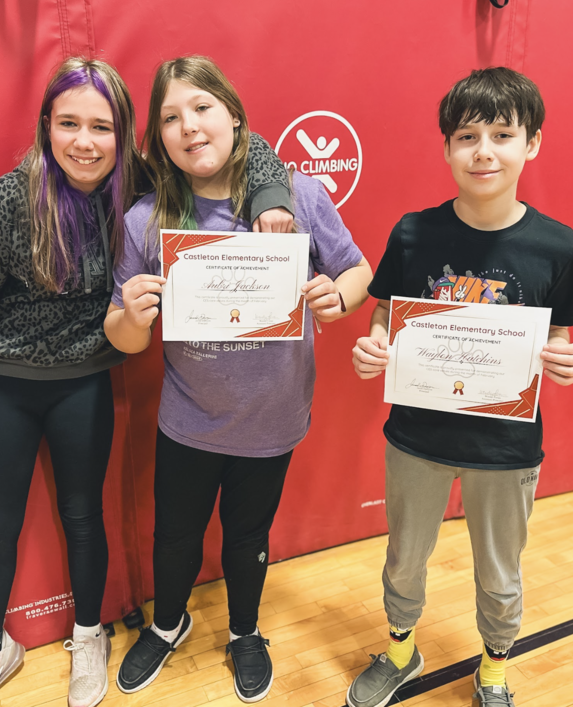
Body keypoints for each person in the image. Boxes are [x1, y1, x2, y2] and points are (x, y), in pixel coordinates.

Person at [0, 57, 296, 707]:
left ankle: (88, 633)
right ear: (46, 126)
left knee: (83, 516)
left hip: (84, 378)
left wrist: (271, 195)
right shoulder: (7, 198)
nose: (83, 140)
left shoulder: (138, 186)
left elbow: (245, 144)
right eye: (68, 123)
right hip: (3, 380)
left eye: (101, 126)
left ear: (124, 134)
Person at [104, 55, 372, 703]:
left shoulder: (298, 196)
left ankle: (245, 630)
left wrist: (338, 297)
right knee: (175, 535)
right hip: (189, 419)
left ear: (234, 116)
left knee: (249, 535)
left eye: (201, 108)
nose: (189, 126)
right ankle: (168, 623)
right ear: (158, 138)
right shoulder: (146, 219)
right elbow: (122, 333)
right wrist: (133, 315)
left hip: (272, 419)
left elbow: (359, 272)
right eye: (170, 116)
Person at [346, 67, 573, 707]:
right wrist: (376, 348)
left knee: (500, 573)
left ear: (531, 143)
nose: (483, 151)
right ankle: (400, 650)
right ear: (447, 147)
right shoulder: (413, 232)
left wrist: (562, 360)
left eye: (502, 134)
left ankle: (495, 666)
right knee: (403, 558)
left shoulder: (557, 246)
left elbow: (558, 333)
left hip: (506, 449)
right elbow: (383, 313)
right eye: (466, 136)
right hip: (417, 436)